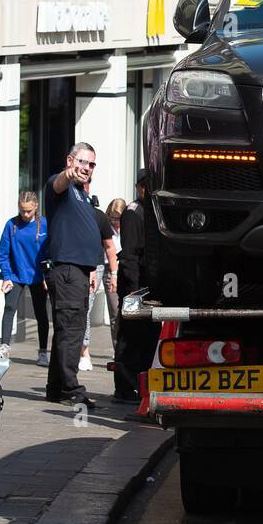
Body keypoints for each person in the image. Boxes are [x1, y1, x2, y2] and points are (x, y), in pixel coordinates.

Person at [43, 143, 105, 410]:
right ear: (70, 160)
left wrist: (90, 268)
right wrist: (70, 173)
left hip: (78, 270)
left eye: (91, 164)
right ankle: (71, 390)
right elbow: (58, 182)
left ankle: (56, 387)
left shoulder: (81, 193)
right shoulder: (62, 187)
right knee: (72, 330)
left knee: (66, 330)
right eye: (82, 162)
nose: (86, 168)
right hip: (67, 270)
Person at [112, 171, 157, 402]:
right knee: (130, 339)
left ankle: (138, 384)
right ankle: (124, 388)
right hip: (135, 286)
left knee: (146, 339)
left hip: (146, 285)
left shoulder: (149, 210)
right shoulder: (133, 212)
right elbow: (129, 255)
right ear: (140, 187)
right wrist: (132, 290)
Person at [0, 191, 49, 366]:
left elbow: (50, 252)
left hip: (37, 276)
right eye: (22, 211)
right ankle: (4, 347)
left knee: (41, 313)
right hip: (15, 274)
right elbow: (3, 254)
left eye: (28, 211)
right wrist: (6, 276)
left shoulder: (44, 225)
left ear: (36, 207)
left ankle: (43, 352)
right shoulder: (11, 225)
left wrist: (46, 275)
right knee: (9, 308)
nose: (25, 215)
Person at [79, 194, 117, 372]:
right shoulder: (75, 216)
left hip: (100, 266)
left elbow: (110, 246)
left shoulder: (99, 217)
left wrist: (115, 273)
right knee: (85, 307)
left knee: (109, 308)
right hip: (84, 266)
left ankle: (88, 352)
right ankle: (84, 352)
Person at [104, 198, 127, 348]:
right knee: (115, 312)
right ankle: (116, 348)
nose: (115, 221)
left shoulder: (128, 227)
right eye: (112, 217)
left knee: (126, 312)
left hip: (126, 271)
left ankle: (127, 347)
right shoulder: (106, 228)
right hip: (109, 271)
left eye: (118, 218)